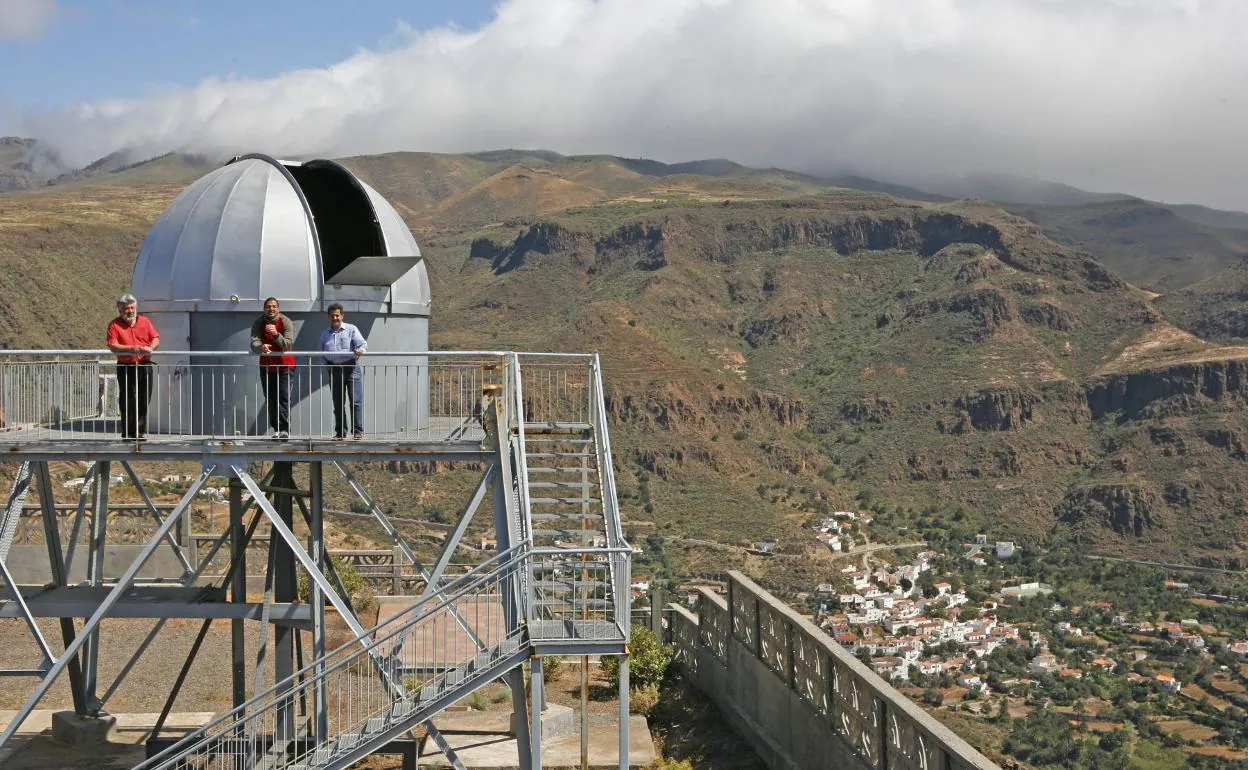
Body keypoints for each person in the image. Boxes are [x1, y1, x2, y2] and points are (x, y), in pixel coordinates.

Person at [106, 293, 159, 440]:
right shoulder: (114, 325)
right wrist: (130, 348)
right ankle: (128, 433)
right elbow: (113, 345)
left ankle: (139, 433)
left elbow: (155, 338)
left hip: (144, 365)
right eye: (126, 308)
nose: (130, 311)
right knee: (127, 399)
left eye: (132, 308)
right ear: (120, 310)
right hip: (126, 365)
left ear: (136, 308)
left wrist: (151, 348)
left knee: (143, 398)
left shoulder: (145, 322)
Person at [319, 303, 366, 439]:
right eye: (332, 315)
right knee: (338, 402)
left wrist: (360, 350)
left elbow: (363, 344)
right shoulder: (324, 334)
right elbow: (320, 352)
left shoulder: (351, 329)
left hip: (351, 367)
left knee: (355, 400)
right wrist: (326, 365)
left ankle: (357, 431)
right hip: (334, 369)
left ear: (342, 316)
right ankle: (340, 432)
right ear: (329, 317)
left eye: (337, 315)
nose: (335, 318)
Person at [250, 297, 295, 439]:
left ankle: (284, 429)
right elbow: (254, 342)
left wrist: (276, 334)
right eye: (268, 306)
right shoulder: (259, 322)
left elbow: (288, 344)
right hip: (267, 366)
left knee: (283, 398)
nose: (271, 309)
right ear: (264, 309)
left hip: (284, 366)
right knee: (270, 398)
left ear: (278, 308)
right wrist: (260, 347)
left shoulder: (285, 321)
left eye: (274, 306)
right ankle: (276, 429)